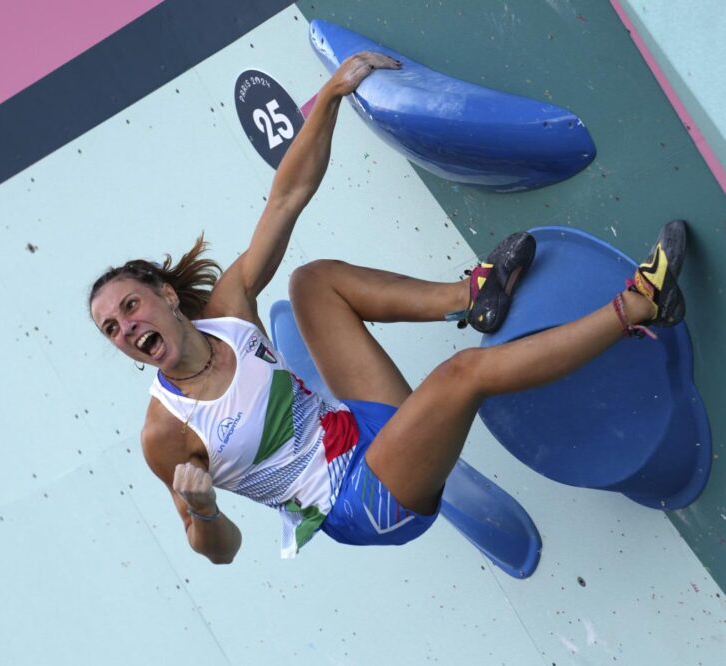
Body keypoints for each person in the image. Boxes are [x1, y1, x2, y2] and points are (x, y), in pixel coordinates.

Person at [88, 52, 688, 563]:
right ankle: (640, 306)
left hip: (366, 432)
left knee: (309, 283)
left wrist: (330, 95)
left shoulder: (229, 312)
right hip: (361, 505)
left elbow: (287, 198)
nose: (125, 328)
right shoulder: (166, 431)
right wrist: (202, 511)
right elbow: (220, 549)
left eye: (130, 306)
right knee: (462, 376)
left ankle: (472, 297)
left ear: (167, 297)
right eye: (112, 329)